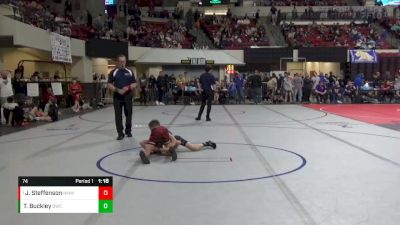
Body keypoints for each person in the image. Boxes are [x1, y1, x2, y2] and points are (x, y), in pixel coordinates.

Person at [139, 119, 217, 164]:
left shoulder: (165, 132)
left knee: (194, 148)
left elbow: (175, 141)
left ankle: (207, 143)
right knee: (163, 151)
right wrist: (148, 144)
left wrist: (170, 147)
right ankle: (160, 151)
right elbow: (144, 143)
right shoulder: (156, 135)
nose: (153, 131)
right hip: (166, 144)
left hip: (176, 139)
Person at [108, 54, 137, 140]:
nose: (122, 63)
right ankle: (120, 133)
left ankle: (128, 131)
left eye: (124, 61)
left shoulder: (130, 71)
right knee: (118, 116)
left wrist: (128, 87)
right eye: (120, 62)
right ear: (117, 62)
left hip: (128, 96)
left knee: (128, 115)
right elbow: (109, 84)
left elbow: (134, 83)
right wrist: (118, 90)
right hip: (117, 97)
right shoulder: (113, 72)